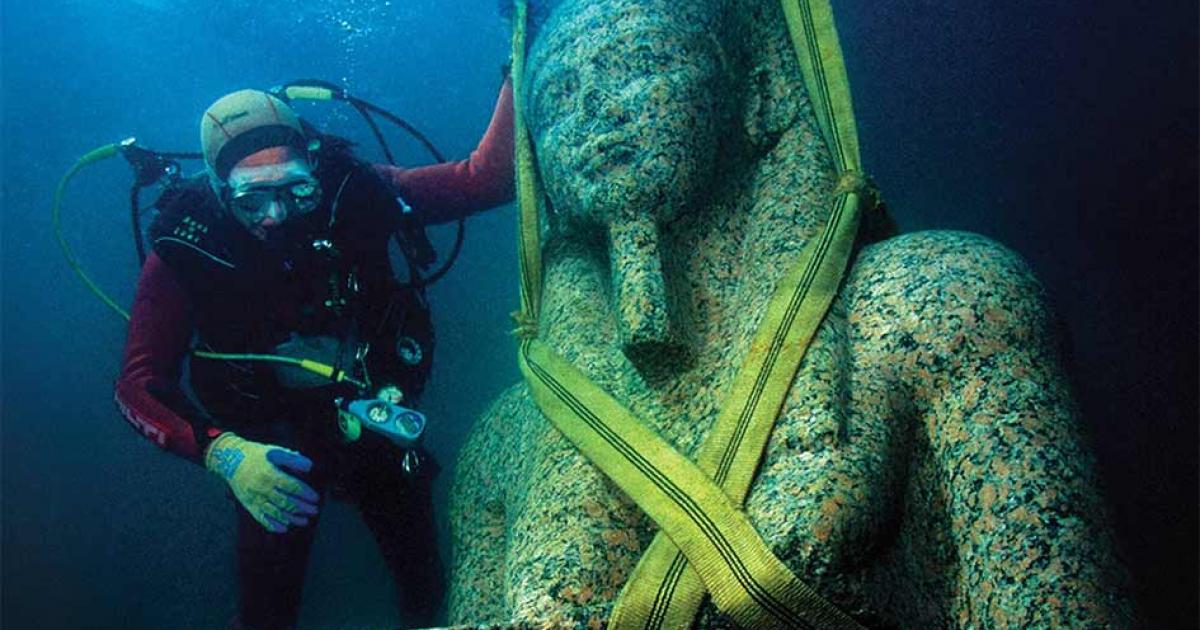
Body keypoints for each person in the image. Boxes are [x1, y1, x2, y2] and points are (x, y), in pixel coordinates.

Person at [114, 78, 513, 630]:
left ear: (314, 166)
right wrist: (224, 454)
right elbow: (136, 385)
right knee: (266, 614)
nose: (276, 214)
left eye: (296, 191)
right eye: (251, 198)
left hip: (371, 419)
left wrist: (519, 53)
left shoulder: (356, 191)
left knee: (425, 588)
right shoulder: (189, 244)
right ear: (216, 185)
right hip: (267, 452)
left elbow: (486, 180)